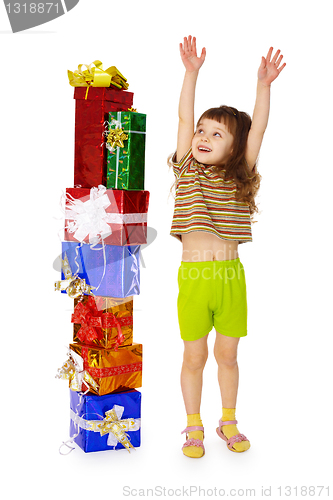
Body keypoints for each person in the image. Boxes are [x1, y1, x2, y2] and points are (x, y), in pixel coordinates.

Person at [169, 36, 286, 458]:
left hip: (231, 276)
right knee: (195, 356)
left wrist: (264, 86)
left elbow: (259, 129)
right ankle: (193, 425)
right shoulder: (187, 169)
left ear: (234, 148)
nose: (202, 136)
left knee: (228, 355)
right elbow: (184, 119)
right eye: (203, 129)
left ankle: (229, 420)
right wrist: (191, 73)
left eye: (216, 133)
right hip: (195, 277)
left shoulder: (240, 176)